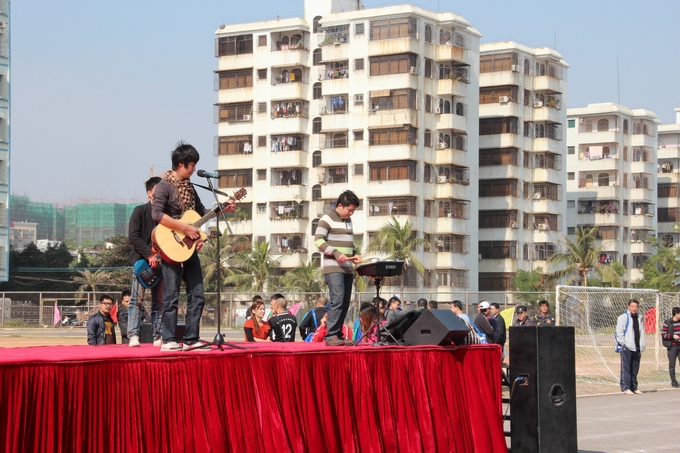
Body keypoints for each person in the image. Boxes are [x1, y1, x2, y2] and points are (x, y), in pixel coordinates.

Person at [151, 141, 235, 351]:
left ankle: (191, 339)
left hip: (188, 248)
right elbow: (157, 214)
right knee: (171, 295)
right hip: (170, 245)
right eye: (192, 165)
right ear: (181, 164)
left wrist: (222, 209)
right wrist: (184, 228)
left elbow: (201, 213)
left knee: (197, 293)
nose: (194, 169)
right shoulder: (164, 185)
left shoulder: (190, 187)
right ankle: (168, 339)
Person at [314, 190, 361, 346]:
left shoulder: (349, 221)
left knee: (345, 301)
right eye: (349, 210)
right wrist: (335, 253)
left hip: (347, 268)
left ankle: (338, 335)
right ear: (340, 205)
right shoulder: (326, 219)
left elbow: (348, 245)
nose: (351, 213)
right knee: (338, 299)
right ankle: (331, 336)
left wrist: (354, 254)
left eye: (353, 211)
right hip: (333, 267)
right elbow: (318, 241)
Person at [127, 176, 164, 347]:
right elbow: (133, 237)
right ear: (149, 193)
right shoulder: (139, 211)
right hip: (142, 263)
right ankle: (133, 335)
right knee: (136, 300)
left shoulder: (167, 215)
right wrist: (149, 255)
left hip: (162, 263)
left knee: (159, 302)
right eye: (158, 189)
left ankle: (158, 335)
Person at [616, 299, 646, 394]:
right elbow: (619, 331)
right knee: (626, 367)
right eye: (632, 306)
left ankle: (634, 387)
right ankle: (626, 387)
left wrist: (642, 344)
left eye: (636, 306)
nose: (634, 308)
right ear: (628, 307)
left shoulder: (640, 317)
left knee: (635, 367)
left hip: (637, 346)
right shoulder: (623, 317)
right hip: (627, 346)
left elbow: (641, 331)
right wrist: (623, 343)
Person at [661, 307, 680, 388]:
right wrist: (672, 336)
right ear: (676, 314)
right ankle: (674, 381)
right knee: (672, 364)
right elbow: (663, 334)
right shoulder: (668, 322)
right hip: (672, 346)